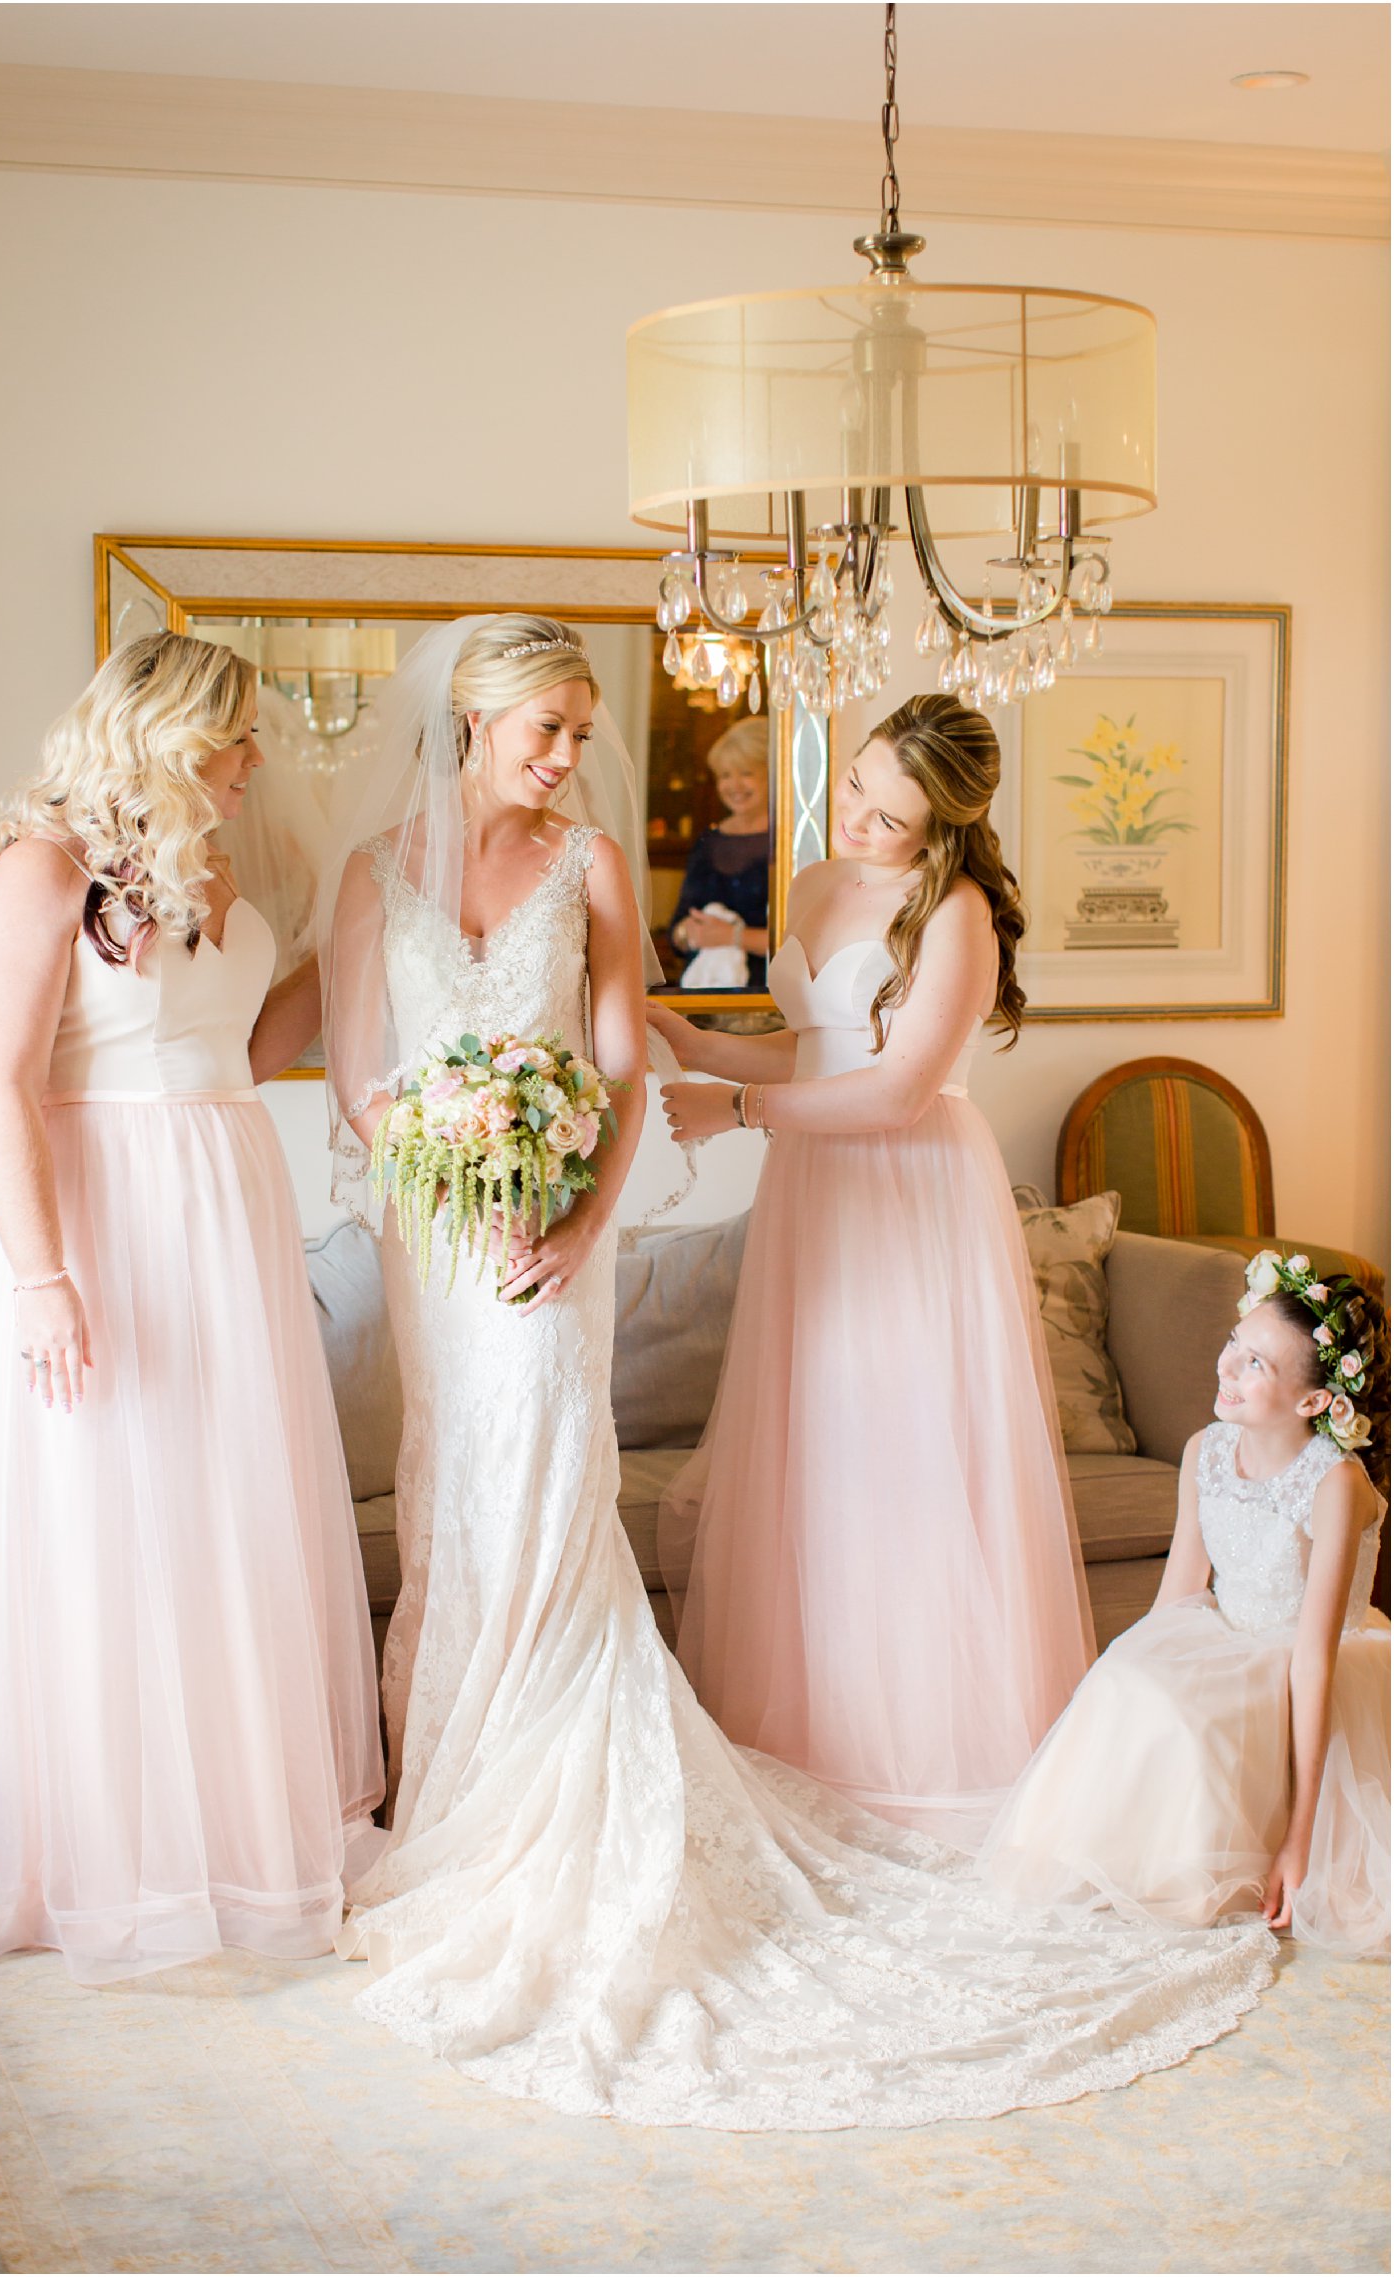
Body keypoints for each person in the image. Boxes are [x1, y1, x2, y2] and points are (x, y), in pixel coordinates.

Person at [318, 616, 1273, 2134]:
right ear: (478, 721)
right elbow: (700, 1048)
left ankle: (881, 1766)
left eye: (897, 810)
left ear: (950, 821)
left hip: (874, 1195)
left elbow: (854, 1083)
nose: (572, 757)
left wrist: (606, 1174)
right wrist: (543, 1119)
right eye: (547, 730)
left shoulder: (924, 909)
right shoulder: (417, 875)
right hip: (470, 1238)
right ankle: (476, 1799)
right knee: (585, 1499)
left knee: (828, 1472)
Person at [0, 632, 383, 1984]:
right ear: (162, 732)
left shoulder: (207, 868)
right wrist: (42, 1283)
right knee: (103, 1512)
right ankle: (89, 1851)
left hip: (224, 1209)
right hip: (97, 1221)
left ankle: (219, 1834)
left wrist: (346, 951)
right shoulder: (43, 868)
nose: (254, 761)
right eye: (235, 737)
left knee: (219, 1511)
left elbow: (237, 1047)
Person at [654, 691, 1093, 1848]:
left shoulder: (953, 913)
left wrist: (739, 1105)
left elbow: (897, 1087)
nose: (853, 817)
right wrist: (693, 1041)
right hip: (814, 1193)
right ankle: (807, 1737)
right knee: (812, 1443)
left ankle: (927, 1756)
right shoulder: (808, 882)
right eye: (851, 784)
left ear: (940, 825)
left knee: (903, 1455)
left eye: (887, 815)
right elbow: (814, 1041)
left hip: (909, 1196)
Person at [980, 1255, 1390, 1957]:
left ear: (1313, 1402)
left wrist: (1299, 1836)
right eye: (1236, 1341)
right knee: (1125, 1682)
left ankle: (1204, 1868)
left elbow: (1313, 1659)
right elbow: (1176, 1597)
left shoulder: (1335, 1485)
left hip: (1304, 1661)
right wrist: (1126, 1678)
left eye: (1256, 1364)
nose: (1227, 1366)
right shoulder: (1206, 1450)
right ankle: (1100, 1846)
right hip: (1223, 1633)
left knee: (1193, 1724)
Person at [668, 717, 771, 989]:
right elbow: (676, 930)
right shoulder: (708, 841)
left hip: (770, 998)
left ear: (772, 773)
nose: (734, 785)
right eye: (725, 775)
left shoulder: (790, 841)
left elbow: (805, 942)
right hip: (707, 992)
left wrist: (733, 937)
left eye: (746, 773)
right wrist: (687, 932)